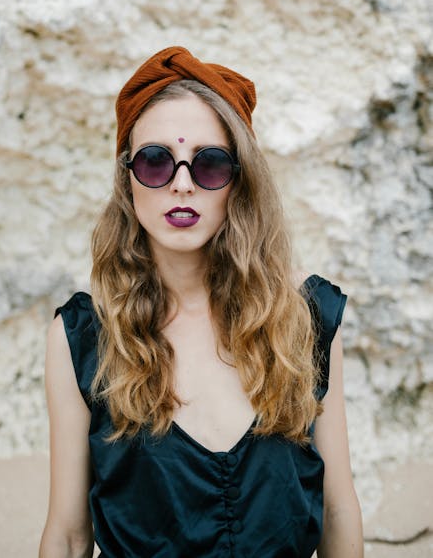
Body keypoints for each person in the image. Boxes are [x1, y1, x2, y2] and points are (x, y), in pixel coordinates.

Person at [39, 46, 364, 558]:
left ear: (239, 182)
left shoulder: (306, 316)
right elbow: (69, 534)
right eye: (155, 161)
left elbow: (339, 512)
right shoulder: (82, 339)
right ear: (128, 178)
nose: (183, 185)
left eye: (210, 165)